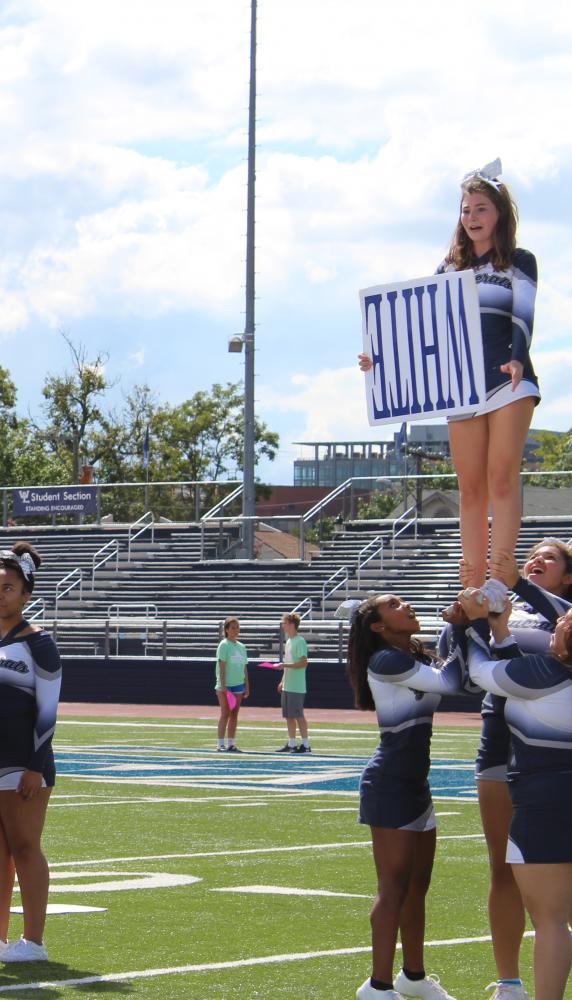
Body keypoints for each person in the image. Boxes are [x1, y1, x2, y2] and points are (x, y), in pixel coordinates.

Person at [359, 160, 538, 598]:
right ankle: (471, 586)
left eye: (481, 208)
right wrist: (380, 360)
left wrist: (518, 358)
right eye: (466, 210)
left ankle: (500, 580)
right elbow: (424, 329)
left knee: (501, 478)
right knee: (469, 487)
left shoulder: (519, 261)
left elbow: (524, 316)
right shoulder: (446, 269)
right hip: (461, 388)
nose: (472, 218)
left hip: (508, 381)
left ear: (499, 213)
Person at [461, 559, 572, 1000]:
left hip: (544, 803)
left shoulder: (544, 674)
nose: (559, 620)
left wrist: (474, 627)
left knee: (549, 921)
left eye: (565, 621)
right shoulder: (543, 675)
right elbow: (513, 680)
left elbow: (482, 675)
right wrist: (504, 632)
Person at [346, 593, 463, 1000]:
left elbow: (457, 677)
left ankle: (413, 976)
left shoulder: (409, 656)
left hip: (414, 783)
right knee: (393, 887)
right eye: (394, 605)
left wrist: (459, 623)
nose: (406, 606)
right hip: (390, 783)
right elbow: (451, 682)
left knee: (417, 886)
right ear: (378, 627)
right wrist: (464, 625)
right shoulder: (386, 660)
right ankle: (377, 986)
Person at [0, 543, 61, 964]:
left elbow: (48, 711)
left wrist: (35, 766)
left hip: (24, 763)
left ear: (25, 595)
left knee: (25, 845)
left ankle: (34, 940)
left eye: (7, 588)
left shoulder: (39, 643)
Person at [277, 612, 310, 753]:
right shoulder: (289, 641)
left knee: (298, 715)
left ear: (291, 624)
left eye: (285, 623)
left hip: (296, 686)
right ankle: (291, 744)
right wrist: (282, 681)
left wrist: (285, 666)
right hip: (288, 685)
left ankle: (306, 745)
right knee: (289, 716)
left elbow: (303, 663)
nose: (283, 626)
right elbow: (289, 662)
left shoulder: (299, 641)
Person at [214, 617, 248, 752]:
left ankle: (231, 743)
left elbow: (244, 667)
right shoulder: (224, 645)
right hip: (226, 686)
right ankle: (220, 744)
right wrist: (223, 686)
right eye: (232, 627)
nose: (235, 630)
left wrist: (247, 685)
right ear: (227, 630)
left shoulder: (241, 647)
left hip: (238, 685)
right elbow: (221, 666)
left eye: (237, 627)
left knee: (234, 714)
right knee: (225, 713)